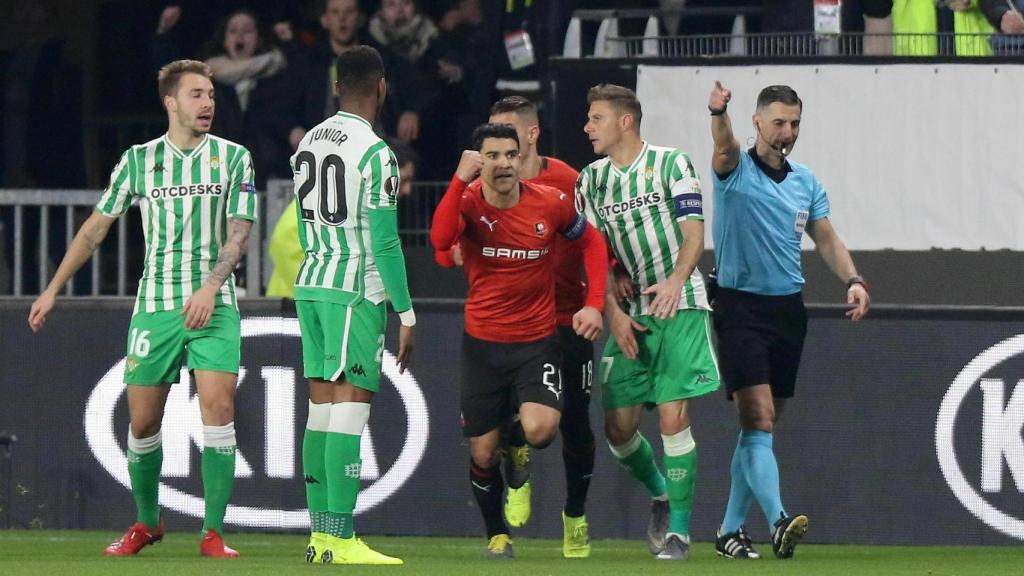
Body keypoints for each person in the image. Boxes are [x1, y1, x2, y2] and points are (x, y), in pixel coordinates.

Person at [28, 59, 257, 558]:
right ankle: (147, 523)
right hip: (155, 308)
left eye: (211, 95)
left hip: (213, 305)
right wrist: (52, 288)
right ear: (171, 102)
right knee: (143, 424)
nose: (208, 103)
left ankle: (213, 532)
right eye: (196, 94)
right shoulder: (138, 161)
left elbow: (239, 234)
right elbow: (95, 228)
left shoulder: (234, 158)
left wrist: (210, 287)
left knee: (218, 409)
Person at [707, 81, 870, 559]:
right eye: (778, 122)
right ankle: (779, 520)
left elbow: (827, 239)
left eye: (794, 123)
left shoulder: (806, 181)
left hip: (787, 312)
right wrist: (718, 111)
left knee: (763, 427)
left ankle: (729, 530)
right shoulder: (733, 168)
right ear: (758, 122)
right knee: (757, 417)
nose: (788, 132)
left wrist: (853, 279)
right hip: (739, 308)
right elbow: (723, 143)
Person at [430, 123, 607, 558]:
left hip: (536, 341)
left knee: (542, 429)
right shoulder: (469, 204)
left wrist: (595, 303)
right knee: (484, 453)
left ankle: (520, 439)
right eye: (493, 156)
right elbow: (438, 241)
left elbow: (594, 243)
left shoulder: (549, 204)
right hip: (483, 347)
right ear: (480, 160)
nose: (504, 163)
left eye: (510, 154)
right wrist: (456, 180)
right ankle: (497, 532)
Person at [574, 84, 719, 561]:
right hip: (631, 309)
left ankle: (678, 533)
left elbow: (694, 232)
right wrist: (613, 312)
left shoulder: (671, 164)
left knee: (674, 417)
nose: (587, 127)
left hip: (679, 301)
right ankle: (660, 493)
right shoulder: (590, 181)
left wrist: (677, 280)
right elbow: (594, 256)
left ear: (625, 121)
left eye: (595, 118)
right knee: (618, 428)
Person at [293, 45, 414, 566]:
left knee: (320, 409)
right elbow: (385, 244)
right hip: (353, 289)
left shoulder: (308, 143)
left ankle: (321, 537)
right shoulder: (376, 152)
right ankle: (341, 539)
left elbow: (301, 224)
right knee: (350, 409)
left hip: (311, 282)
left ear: (337, 85)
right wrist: (405, 312)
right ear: (382, 88)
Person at [266, 138, 417, 299]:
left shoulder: (373, 213)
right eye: (403, 180)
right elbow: (284, 241)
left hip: (341, 316)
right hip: (298, 316)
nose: (408, 190)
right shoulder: (321, 199)